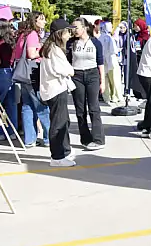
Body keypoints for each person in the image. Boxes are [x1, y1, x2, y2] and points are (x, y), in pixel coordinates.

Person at [39, 19, 77, 167]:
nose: (70, 34)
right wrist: (71, 70)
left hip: (55, 88)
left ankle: (65, 151)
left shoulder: (50, 48)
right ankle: (57, 156)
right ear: (60, 33)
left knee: (63, 120)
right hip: (56, 89)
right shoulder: (54, 50)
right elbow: (67, 70)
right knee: (58, 123)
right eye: (68, 31)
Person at [67, 18, 106, 150]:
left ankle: (98, 139)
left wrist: (102, 81)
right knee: (80, 109)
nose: (74, 30)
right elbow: (68, 60)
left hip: (92, 74)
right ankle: (85, 138)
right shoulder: (71, 43)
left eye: (76, 27)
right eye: (72, 28)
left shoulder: (95, 42)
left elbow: (100, 62)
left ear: (84, 28)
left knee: (94, 108)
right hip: (77, 75)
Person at [12, 11, 50, 148]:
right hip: (32, 74)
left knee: (27, 106)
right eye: (42, 19)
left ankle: (30, 139)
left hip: (23, 75)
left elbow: (17, 54)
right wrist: (43, 49)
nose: (44, 22)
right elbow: (31, 53)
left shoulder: (23, 35)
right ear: (35, 21)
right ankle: (49, 137)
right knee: (41, 105)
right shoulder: (33, 35)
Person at [0, 19, 18, 139]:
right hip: (12, 71)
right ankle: (12, 131)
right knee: (11, 104)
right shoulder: (12, 41)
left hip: (1, 72)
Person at [100, 22, 124, 104]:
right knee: (115, 80)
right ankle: (115, 96)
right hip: (111, 60)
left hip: (103, 61)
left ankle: (106, 97)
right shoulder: (109, 38)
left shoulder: (100, 37)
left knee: (105, 80)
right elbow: (113, 50)